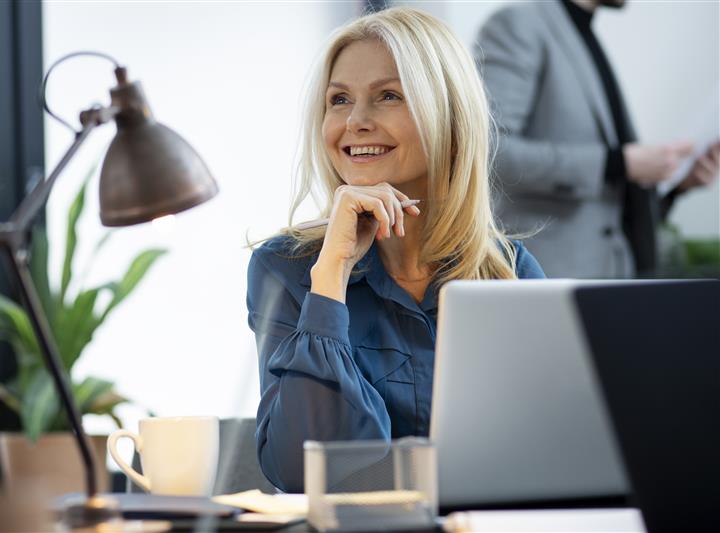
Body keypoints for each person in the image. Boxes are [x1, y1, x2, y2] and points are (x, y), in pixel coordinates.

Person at [246, 7, 545, 493]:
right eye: (338, 99)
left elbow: (540, 452)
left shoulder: (510, 274)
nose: (356, 121)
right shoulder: (285, 268)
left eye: (388, 96)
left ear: (448, 115)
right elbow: (301, 471)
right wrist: (332, 279)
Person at [476, 0, 720, 279]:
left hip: (611, 278)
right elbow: (490, 151)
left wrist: (677, 184)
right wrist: (617, 163)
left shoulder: (584, 36)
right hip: (546, 280)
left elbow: (609, 205)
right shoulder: (519, 25)